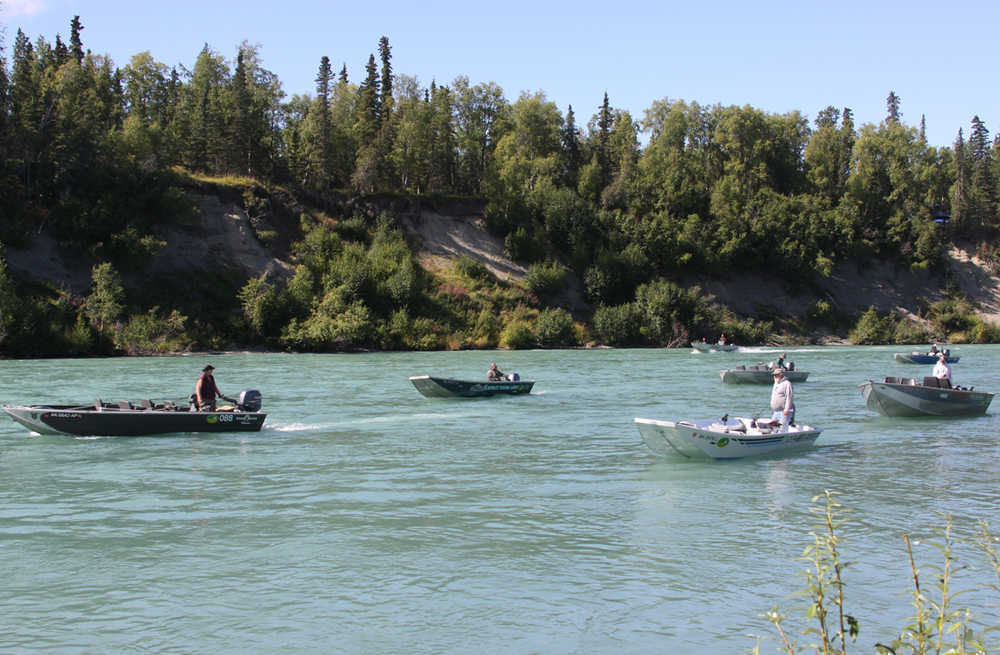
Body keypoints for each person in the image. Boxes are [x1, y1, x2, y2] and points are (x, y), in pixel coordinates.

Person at [770, 367, 795, 432]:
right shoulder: (776, 383)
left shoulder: (787, 383)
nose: (774, 376)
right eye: (774, 375)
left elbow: (789, 397)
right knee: (773, 427)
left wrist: (786, 409)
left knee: (782, 428)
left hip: (784, 411)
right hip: (776, 411)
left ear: (781, 375)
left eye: (776, 375)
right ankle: (775, 435)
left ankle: (783, 435)